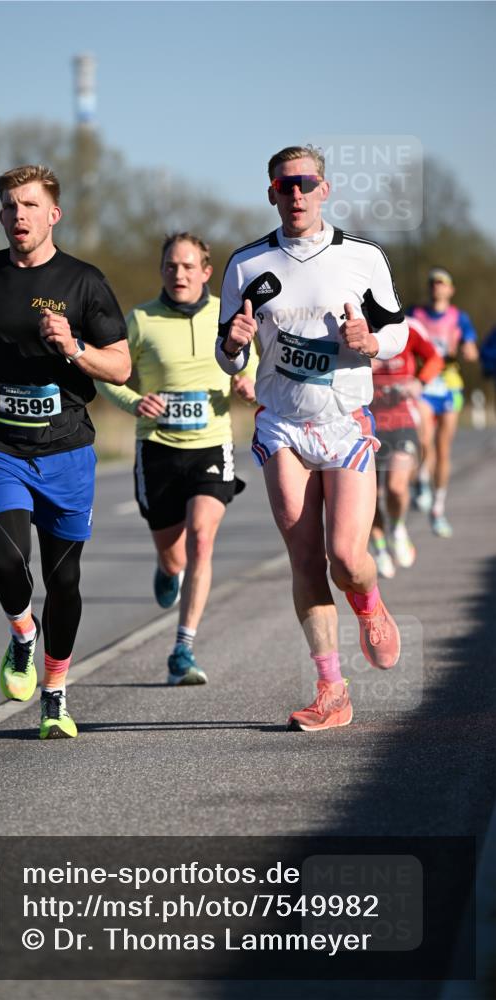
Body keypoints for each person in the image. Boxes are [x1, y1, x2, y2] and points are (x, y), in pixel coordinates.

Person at [216, 144, 409, 732]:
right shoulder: (247, 265)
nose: (294, 194)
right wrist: (235, 343)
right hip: (281, 425)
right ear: (271, 193)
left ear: (325, 189)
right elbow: (228, 358)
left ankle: (369, 603)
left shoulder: (362, 257)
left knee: (348, 559)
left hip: (345, 423)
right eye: (283, 185)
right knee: (305, 558)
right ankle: (331, 689)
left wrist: (372, 342)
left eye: (305, 183)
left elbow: (399, 332)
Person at [0, 164, 130, 740]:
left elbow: (119, 364)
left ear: (53, 214)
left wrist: (73, 348)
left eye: (28, 205)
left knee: (64, 582)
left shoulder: (85, 282)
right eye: (8, 206)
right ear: (1, 215)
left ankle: (55, 694)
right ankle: (23, 634)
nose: (17, 215)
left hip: (68, 449)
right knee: (6, 562)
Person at [96, 232, 256, 685]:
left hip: (212, 444)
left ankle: (182, 649)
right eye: (171, 266)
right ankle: (167, 571)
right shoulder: (141, 320)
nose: (179, 274)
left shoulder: (226, 317)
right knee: (174, 557)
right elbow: (108, 374)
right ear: (162, 271)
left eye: (188, 266)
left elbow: (251, 364)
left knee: (202, 539)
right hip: (158, 449)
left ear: (207, 272)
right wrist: (134, 402)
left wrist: (249, 386)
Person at [369, 314, 444, 578]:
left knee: (396, 487)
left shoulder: (408, 328)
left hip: (401, 421)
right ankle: (378, 546)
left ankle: (398, 527)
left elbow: (435, 358)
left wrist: (419, 382)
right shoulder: (351, 325)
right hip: (364, 424)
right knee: (368, 497)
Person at [409, 268, 478, 537]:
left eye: (442, 284)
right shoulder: (416, 314)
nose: (437, 287)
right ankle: (422, 483)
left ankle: (438, 507)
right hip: (425, 383)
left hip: (449, 385)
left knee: (443, 448)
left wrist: (466, 350)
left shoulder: (459, 317)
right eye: (433, 283)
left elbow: (470, 349)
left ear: (451, 290)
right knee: (424, 439)